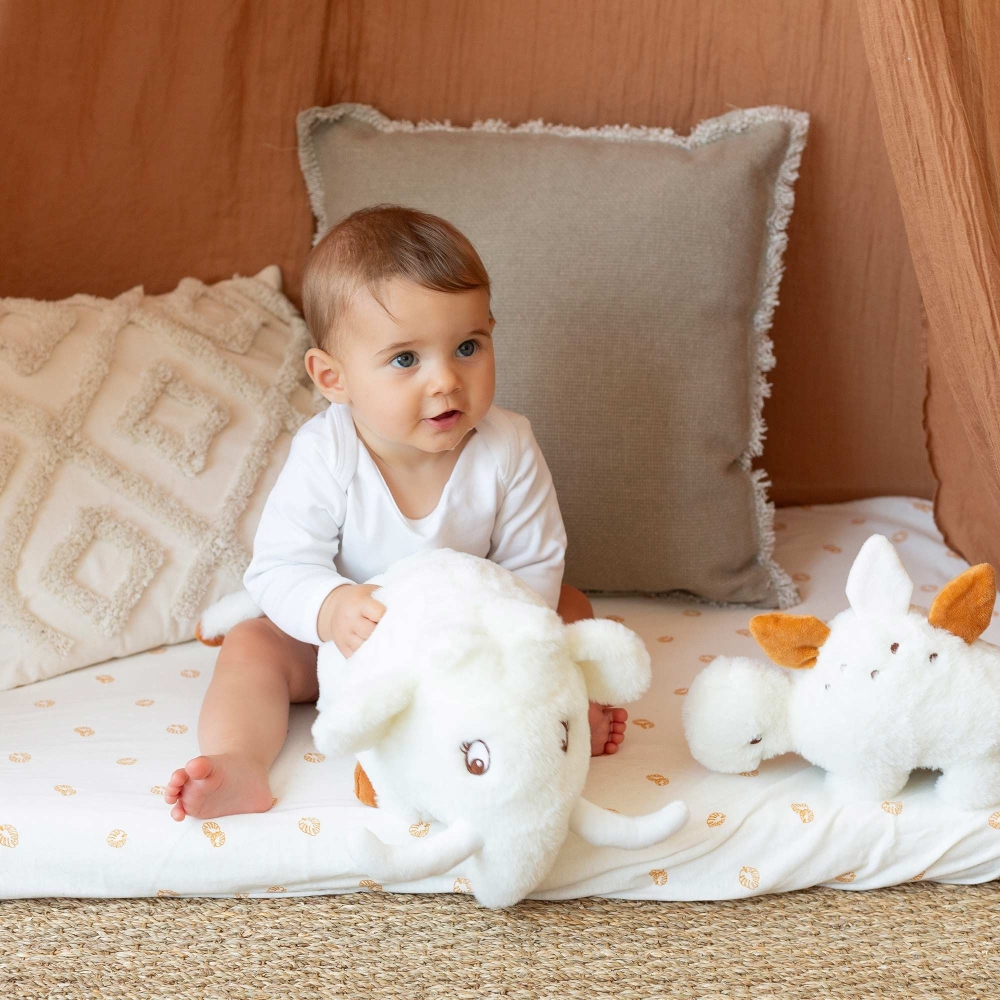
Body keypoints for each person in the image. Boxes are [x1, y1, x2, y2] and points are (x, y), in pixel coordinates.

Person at [164, 205, 628, 822]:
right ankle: (241, 761)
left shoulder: (508, 445)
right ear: (333, 377)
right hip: (354, 641)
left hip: (471, 641)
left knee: (568, 605)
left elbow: (533, 563)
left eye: (468, 347)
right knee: (253, 643)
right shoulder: (327, 454)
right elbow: (279, 568)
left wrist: (497, 630)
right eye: (406, 360)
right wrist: (331, 607)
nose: (446, 381)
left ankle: (556, 717)